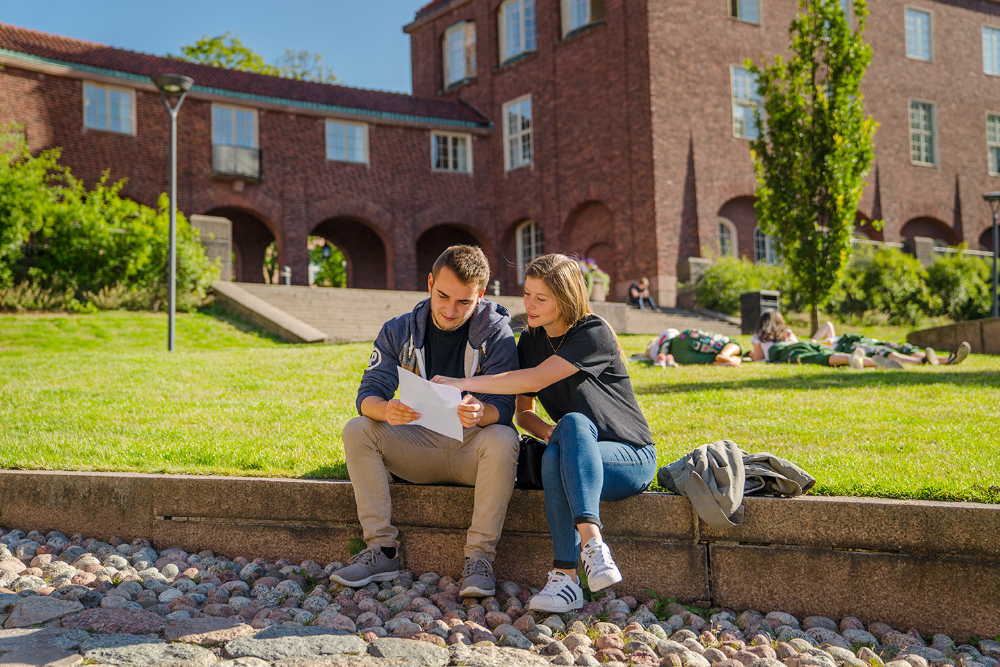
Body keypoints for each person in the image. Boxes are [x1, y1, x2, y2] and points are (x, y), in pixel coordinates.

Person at [433, 254, 657, 613]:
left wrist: (462, 383)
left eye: (542, 298)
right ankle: (566, 580)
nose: (530, 306)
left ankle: (590, 545)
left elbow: (535, 380)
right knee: (560, 444)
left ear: (565, 299)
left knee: (574, 423)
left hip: (630, 458)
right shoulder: (532, 342)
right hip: (576, 456)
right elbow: (524, 414)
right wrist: (553, 434)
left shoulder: (592, 332)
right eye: (527, 294)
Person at [333, 245, 520, 598]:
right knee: (358, 429)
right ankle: (382, 551)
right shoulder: (398, 330)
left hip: (472, 452)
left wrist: (483, 412)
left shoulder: (497, 334)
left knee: (503, 438)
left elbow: (505, 407)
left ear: (481, 294)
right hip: (416, 447)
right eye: (443, 296)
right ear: (430, 282)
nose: (450, 311)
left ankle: (479, 560)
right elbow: (368, 394)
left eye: (464, 302)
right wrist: (385, 409)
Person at [749, 310, 879, 369]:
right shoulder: (786, 331)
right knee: (825, 351)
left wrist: (750, 355)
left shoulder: (760, 334)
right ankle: (874, 362)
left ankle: (851, 359)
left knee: (819, 357)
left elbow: (759, 357)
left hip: (787, 350)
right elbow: (796, 342)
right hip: (802, 344)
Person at [818, 323, 971, 367]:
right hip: (850, 346)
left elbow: (828, 325)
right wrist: (810, 340)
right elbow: (810, 343)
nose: (791, 332)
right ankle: (921, 361)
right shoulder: (817, 345)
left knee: (902, 347)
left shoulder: (828, 337)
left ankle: (947, 359)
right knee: (884, 352)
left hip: (865, 340)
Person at [642, 328, 745, 367]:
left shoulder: (653, 353)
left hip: (679, 357)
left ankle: (726, 360)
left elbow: (663, 349)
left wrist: (663, 354)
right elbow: (668, 341)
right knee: (727, 342)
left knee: (708, 359)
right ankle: (726, 355)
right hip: (687, 337)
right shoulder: (669, 335)